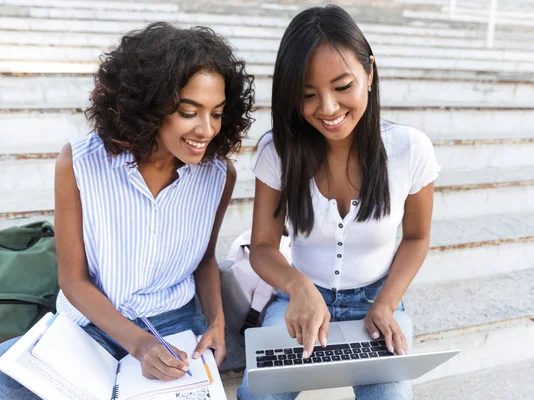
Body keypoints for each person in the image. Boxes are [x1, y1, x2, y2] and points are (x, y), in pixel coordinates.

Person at [0, 22, 254, 399]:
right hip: (91, 322)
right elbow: (73, 280)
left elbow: (203, 261)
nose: (206, 130)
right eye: (189, 111)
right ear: (149, 106)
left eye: (216, 113)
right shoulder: (79, 163)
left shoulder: (218, 176)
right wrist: (138, 345)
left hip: (175, 324)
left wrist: (216, 322)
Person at [237, 5, 440, 400]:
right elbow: (262, 246)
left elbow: (416, 237)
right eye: (308, 95)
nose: (327, 109)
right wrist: (297, 287)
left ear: (369, 73)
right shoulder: (277, 152)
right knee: (261, 391)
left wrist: (387, 303)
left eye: (342, 86)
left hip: (376, 301)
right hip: (298, 297)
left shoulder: (409, 150)